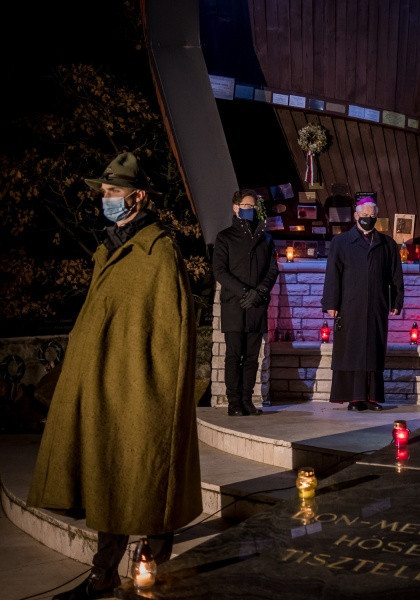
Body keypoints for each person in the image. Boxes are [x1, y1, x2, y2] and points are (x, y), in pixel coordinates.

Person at [27, 152, 202, 600]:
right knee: (110, 473)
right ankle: (103, 573)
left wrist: (158, 391)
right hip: (102, 384)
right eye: (103, 191)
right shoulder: (107, 249)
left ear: (137, 196)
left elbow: (174, 330)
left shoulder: (159, 253)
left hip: (141, 387)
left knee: (146, 471)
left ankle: (154, 567)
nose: (104, 198)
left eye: (112, 191)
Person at [321, 196, 404, 412]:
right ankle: (355, 398)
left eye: (372, 215)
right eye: (364, 215)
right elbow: (333, 274)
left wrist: (396, 301)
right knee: (352, 349)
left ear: (376, 217)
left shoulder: (387, 244)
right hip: (349, 305)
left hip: (376, 305)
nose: (368, 218)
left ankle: (372, 397)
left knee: (373, 349)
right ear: (356, 216)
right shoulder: (341, 242)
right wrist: (331, 302)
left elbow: (396, 276)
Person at [212, 189, 279, 416]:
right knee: (234, 356)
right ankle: (234, 402)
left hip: (256, 305)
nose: (250, 210)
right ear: (236, 208)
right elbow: (220, 271)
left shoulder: (265, 238)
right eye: (247, 206)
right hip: (235, 304)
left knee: (252, 357)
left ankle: (247, 400)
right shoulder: (225, 237)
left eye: (253, 207)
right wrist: (244, 292)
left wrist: (259, 292)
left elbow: (272, 270)